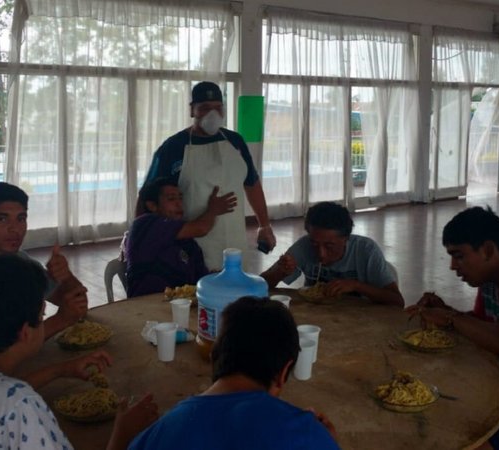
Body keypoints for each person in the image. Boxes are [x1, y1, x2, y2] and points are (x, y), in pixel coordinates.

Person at [0, 254, 159, 450]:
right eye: (42, 314)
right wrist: (123, 435)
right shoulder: (20, 406)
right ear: (26, 332)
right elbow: (10, 398)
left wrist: (60, 370)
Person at [408, 206, 499, 450]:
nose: (452, 267)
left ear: (488, 250)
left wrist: (449, 318)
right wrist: (449, 312)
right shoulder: (492, 282)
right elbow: (485, 332)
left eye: (459, 256)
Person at [129, 296, 339, 449]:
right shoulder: (306, 434)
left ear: (213, 357)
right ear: (283, 373)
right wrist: (324, 440)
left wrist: (120, 438)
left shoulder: (161, 432)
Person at [141, 81, 276, 270]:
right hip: (193, 242)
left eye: (218, 108)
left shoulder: (235, 142)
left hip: (234, 238)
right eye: (204, 108)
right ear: (192, 110)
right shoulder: (173, 147)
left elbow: (252, 183)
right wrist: (138, 236)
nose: (213, 114)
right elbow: (147, 196)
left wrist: (264, 225)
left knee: (236, 291)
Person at [0, 182, 87, 339]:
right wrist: (60, 320)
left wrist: (65, 276)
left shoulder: (23, 262)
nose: (15, 229)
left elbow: (77, 306)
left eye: (21, 218)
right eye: (2, 219)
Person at [260, 202, 404, 307]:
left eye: (329, 246)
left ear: (346, 238)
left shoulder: (366, 250)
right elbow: (259, 285)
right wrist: (280, 272)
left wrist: (356, 286)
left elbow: (397, 301)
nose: (321, 254)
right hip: (318, 315)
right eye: (315, 245)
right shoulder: (305, 245)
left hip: (359, 319)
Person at [125, 177, 236, 297]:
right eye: (171, 199)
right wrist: (213, 210)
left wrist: (215, 278)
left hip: (179, 305)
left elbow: (199, 280)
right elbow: (202, 228)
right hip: (145, 305)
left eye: (180, 198)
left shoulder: (187, 241)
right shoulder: (145, 224)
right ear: (152, 206)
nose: (179, 204)